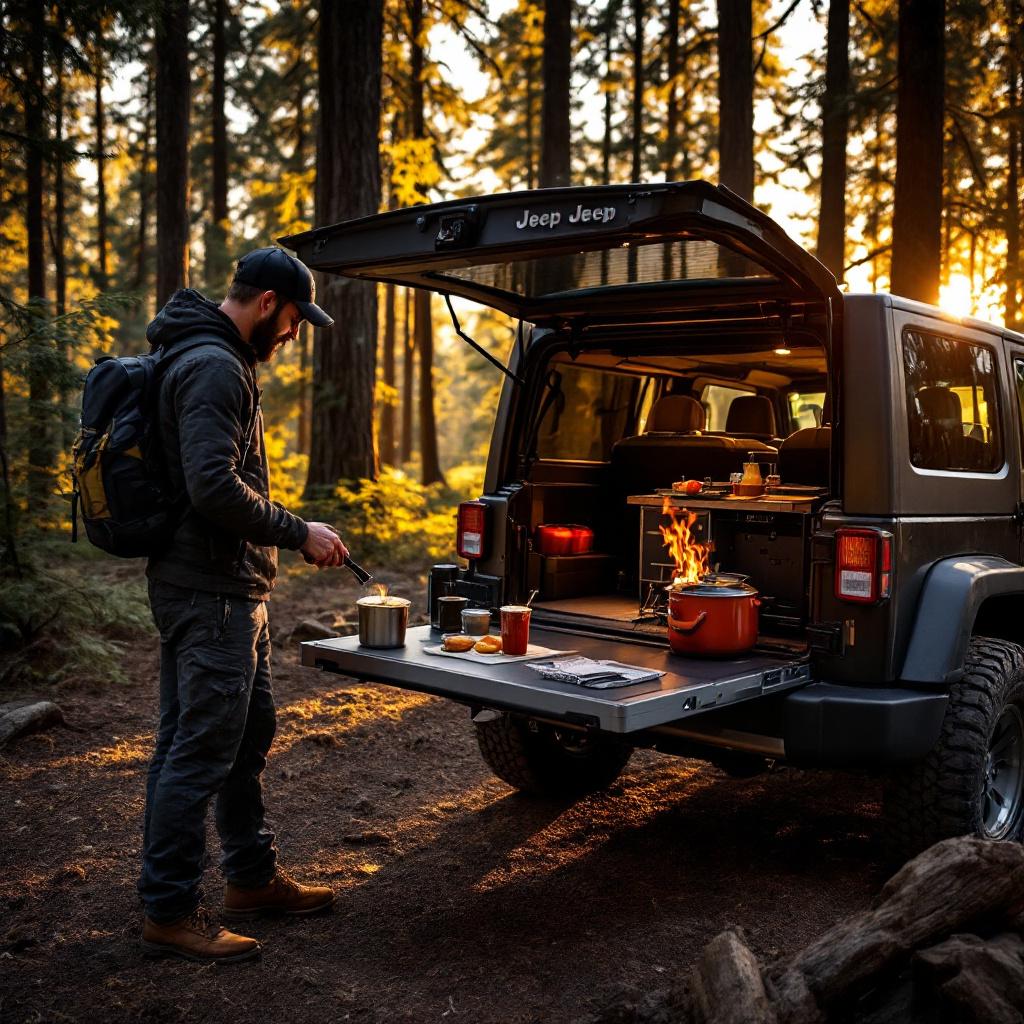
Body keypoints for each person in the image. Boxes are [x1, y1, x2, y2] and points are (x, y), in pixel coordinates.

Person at [137, 248, 349, 964]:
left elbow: (218, 481)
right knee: (195, 754)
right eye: (293, 320)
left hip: (227, 588)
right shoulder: (215, 366)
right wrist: (299, 532)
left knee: (243, 738)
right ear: (266, 304)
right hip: (211, 592)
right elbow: (213, 488)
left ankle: (251, 880)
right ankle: (170, 911)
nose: (292, 334)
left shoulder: (212, 357)